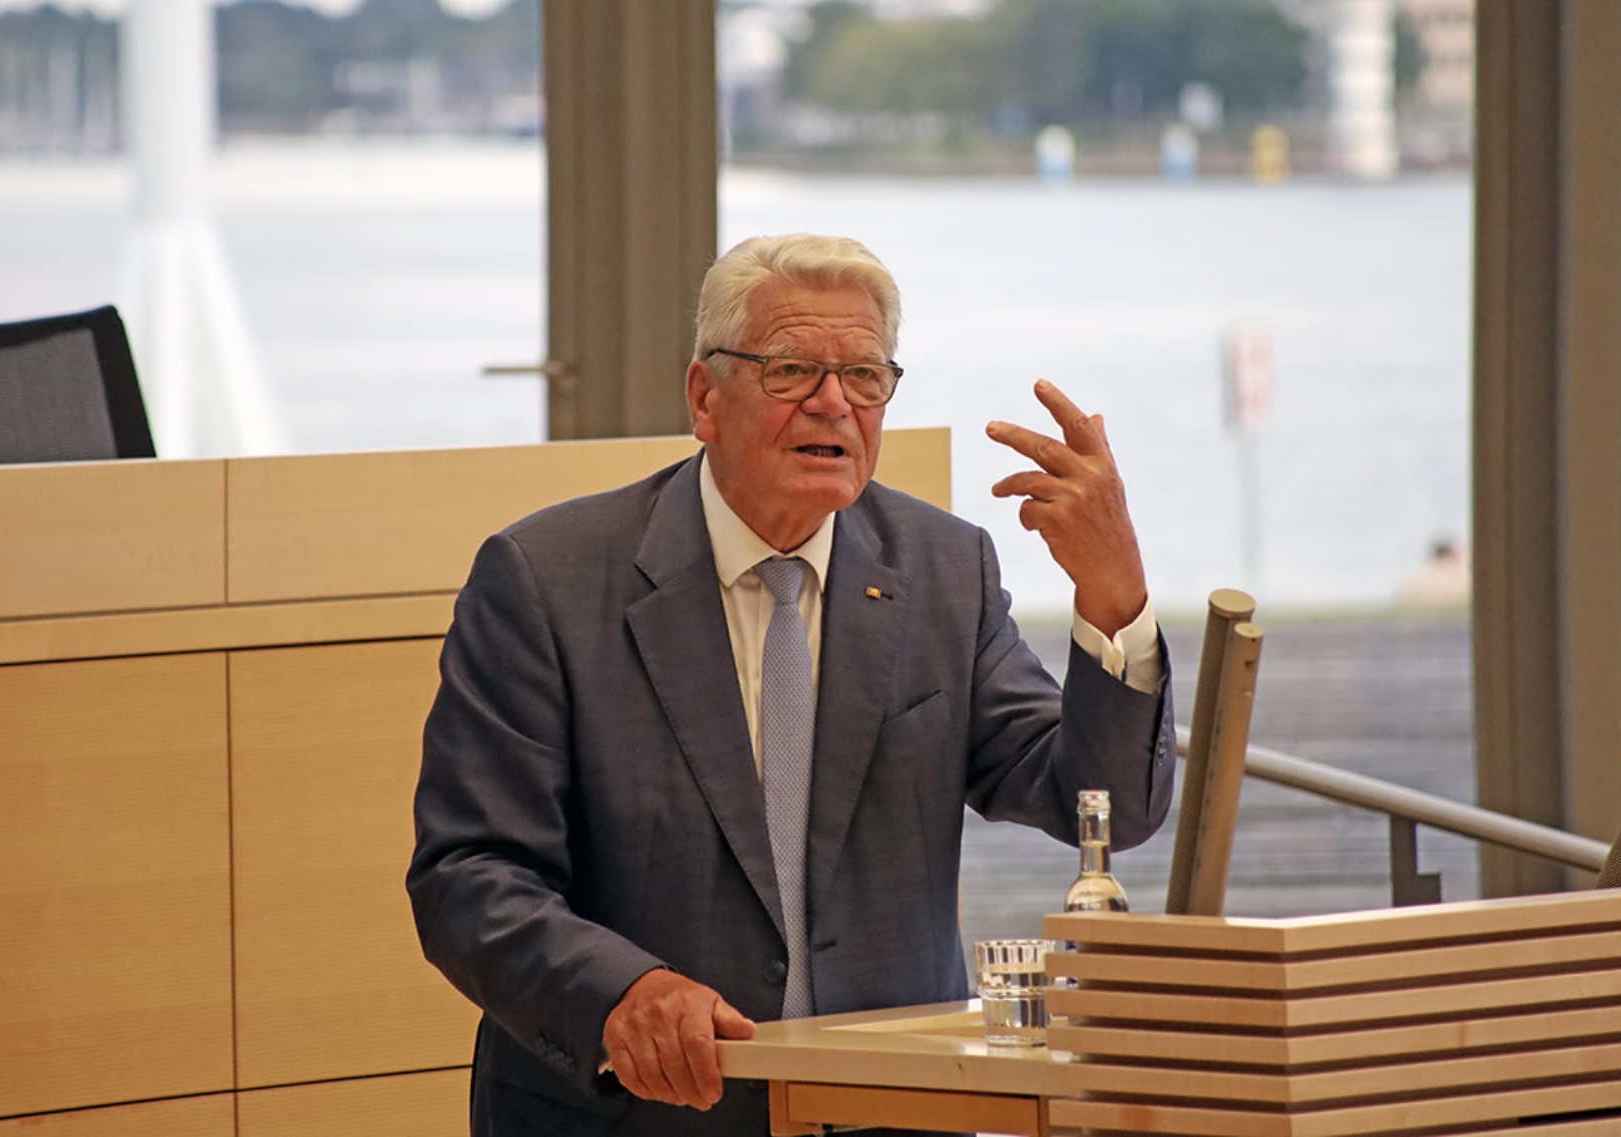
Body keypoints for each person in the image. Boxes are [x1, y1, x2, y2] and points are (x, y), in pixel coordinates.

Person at [408, 233, 1176, 1137]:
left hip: (891, 1107)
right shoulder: (547, 580)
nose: (833, 403)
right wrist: (623, 990)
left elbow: (1105, 806)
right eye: (790, 370)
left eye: (864, 376)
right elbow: (470, 875)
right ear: (705, 396)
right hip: (640, 1116)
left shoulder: (943, 569)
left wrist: (1114, 592)